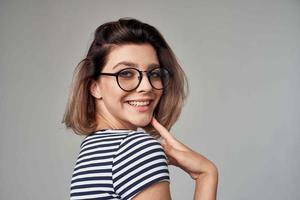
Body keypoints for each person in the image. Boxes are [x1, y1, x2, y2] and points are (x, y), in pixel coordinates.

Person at [62, 17, 218, 200]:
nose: (147, 86)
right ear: (94, 87)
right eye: (126, 73)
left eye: (154, 73)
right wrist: (206, 174)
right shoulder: (136, 149)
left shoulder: (92, 150)